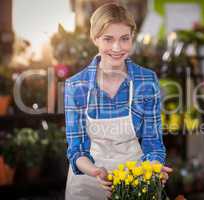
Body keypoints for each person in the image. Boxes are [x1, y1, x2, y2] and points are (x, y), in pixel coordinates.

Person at [64, 3, 172, 200]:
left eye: (124, 39)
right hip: (88, 183)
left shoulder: (146, 81)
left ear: (132, 37)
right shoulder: (76, 85)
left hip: (134, 181)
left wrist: (153, 168)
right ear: (95, 38)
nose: (117, 48)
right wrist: (96, 172)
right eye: (108, 39)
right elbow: (76, 149)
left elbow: (153, 142)